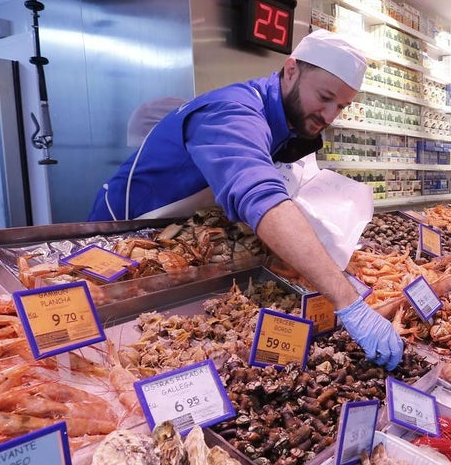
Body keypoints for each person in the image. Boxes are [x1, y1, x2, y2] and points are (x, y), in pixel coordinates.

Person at [87, 29, 403, 369]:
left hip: (190, 246)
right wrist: (348, 303)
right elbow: (261, 197)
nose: (329, 115)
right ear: (292, 69)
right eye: (325, 97)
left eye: (341, 106)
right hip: (124, 243)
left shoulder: (286, 123)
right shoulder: (231, 111)